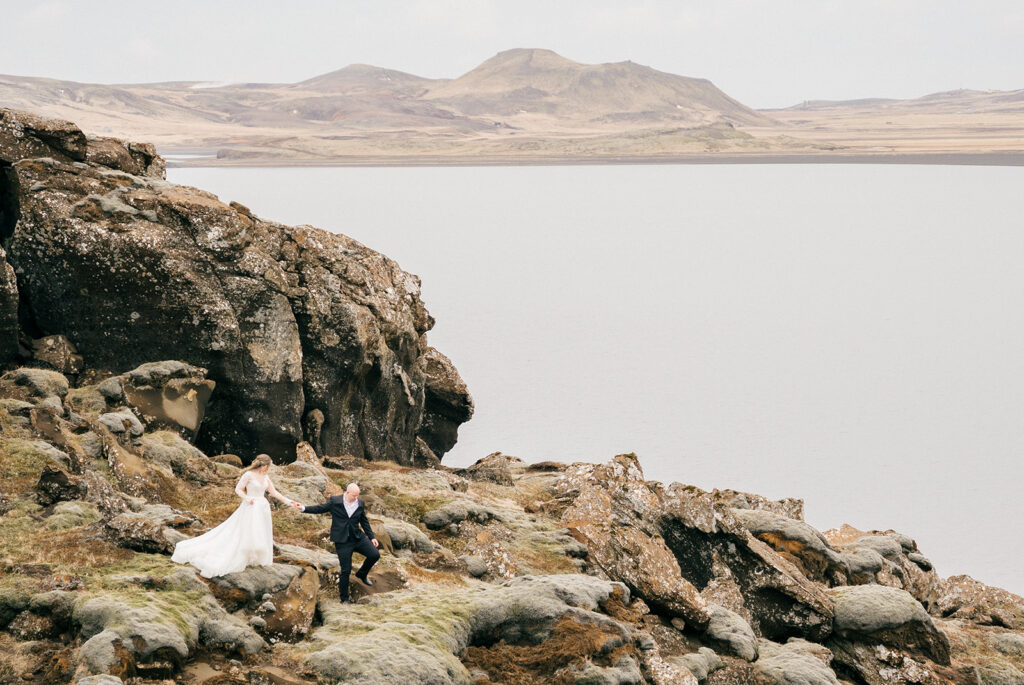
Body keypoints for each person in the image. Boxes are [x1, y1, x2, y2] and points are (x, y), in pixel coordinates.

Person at [171, 454, 295, 578]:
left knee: (260, 531)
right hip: (250, 506)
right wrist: (247, 498)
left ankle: (255, 556)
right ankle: (243, 554)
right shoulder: (249, 475)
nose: (267, 469)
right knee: (246, 530)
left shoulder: (266, 477)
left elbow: (274, 492)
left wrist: (290, 502)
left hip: (262, 508)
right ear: (263, 465)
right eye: (267, 466)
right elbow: (238, 489)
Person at [291, 483, 379, 603]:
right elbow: (320, 508)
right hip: (342, 541)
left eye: (357, 496)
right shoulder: (335, 501)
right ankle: (344, 600)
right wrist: (303, 508)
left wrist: (372, 537)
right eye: (354, 495)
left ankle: (362, 574)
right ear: (347, 493)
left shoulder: (360, 503)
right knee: (346, 570)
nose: (356, 498)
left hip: (358, 538)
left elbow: (364, 521)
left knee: (375, 555)